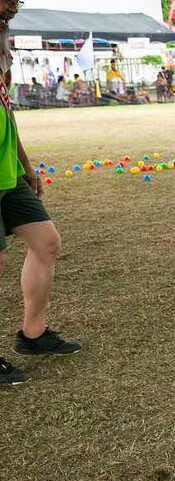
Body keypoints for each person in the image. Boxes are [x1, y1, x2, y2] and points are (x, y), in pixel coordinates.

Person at [0, 0, 80, 386]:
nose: (14, 7)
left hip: (8, 173)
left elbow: (6, 109)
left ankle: (32, 335)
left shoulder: (3, 40)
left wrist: (26, 167)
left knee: (46, 241)